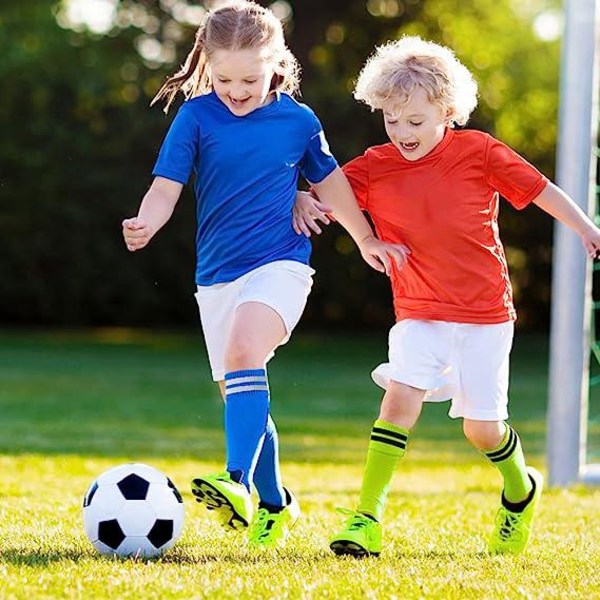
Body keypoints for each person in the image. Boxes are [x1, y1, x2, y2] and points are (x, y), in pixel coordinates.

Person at [294, 35, 600, 557]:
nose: (402, 132)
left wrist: (586, 228)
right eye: (392, 119)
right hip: (418, 311)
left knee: (482, 430)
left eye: (415, 121)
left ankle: (520, 489)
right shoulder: (375, 164)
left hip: (485, 315)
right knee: (399, 403)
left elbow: (541, 189)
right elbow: (330, 193)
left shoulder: (479, 152)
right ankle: (366, 517)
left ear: (448, 112)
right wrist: (304, 198)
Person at [121, 1, 407, 551]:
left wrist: (365, 237)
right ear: (207, 65)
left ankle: (234, 482)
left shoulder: (298, 121)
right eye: (223, 77)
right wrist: (147, 223)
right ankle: (275, 503)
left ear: (276, 62)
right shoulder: (197, 116)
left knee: (246, 351)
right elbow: (166, 185)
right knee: (241, 390)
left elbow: (333, 186)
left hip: (281, 264)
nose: (235, 88)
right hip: (216, 278)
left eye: (249, 78)